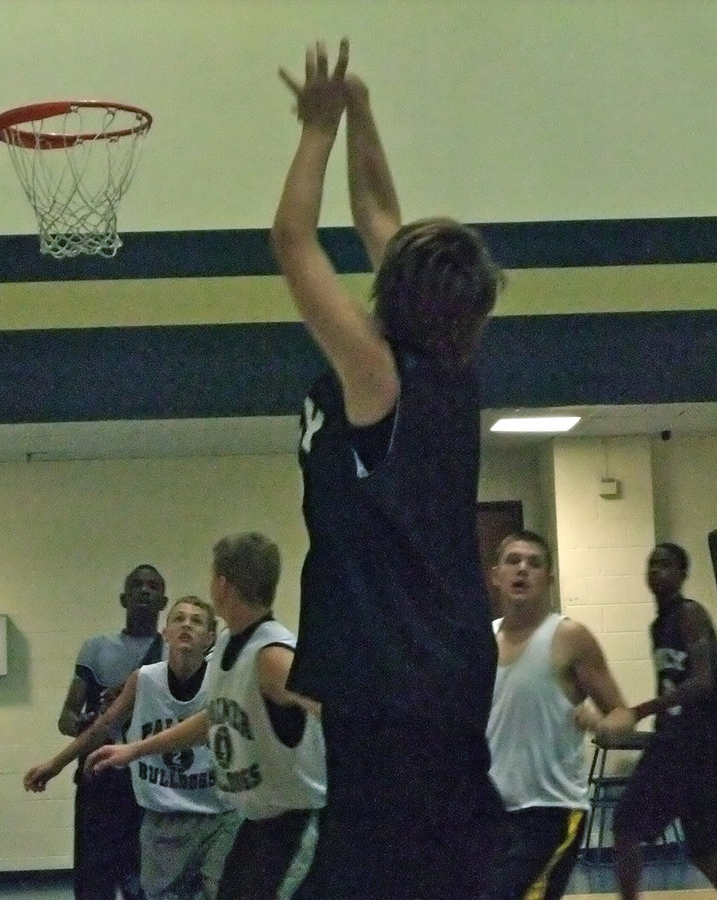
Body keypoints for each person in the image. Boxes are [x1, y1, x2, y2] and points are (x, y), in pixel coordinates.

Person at [270, 39, 507, 900]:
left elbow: (293, 243)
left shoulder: (379, 376)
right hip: (424, 670)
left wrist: (318, 128)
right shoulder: (444, 361)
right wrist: (363, 109)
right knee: (416, 862)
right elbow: (379, 213)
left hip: (402, 675)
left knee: (379, 873)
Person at [86, 533, 326, 900]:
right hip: (256, 822)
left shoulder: (272, 655)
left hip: (293, 826)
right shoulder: (230, 643)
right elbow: (213, 718)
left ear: (223, 583)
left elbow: (341, 711)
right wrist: (134, 750)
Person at [26, 596, 241, 900]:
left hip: (217, 816)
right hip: (162, 817)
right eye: (179, 618)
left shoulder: (224, 681)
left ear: (209, 638)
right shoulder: (144, 680)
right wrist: (56, 764)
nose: (187, 625)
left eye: (196, 621)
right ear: (165, 633)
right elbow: (103, 726)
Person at [482, 530, 636, 900]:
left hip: (550, 811)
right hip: (490, 810)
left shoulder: (569, 637)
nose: (523, 570)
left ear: (549, 580)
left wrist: (601, 724)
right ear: (495, 575)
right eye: (513, 561)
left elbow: (622, 714)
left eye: (534, 563)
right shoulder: (481, 641)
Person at [611, 543, 717, 900]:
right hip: (671, 745)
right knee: (626, 825)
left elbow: (703, 682)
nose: (657, 571)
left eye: (666, 565)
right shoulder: (658, 625)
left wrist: (641, 710)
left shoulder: (690, 614)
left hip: (703, 748)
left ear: (683, 574)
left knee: (704, 848)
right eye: (652, 564)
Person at [57, 564, 167, 900]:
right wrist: (85, 723)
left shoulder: (171, 655)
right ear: (123, 598)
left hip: (148, 780)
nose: (144, 591)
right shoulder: (96, 649)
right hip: (100, 779)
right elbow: (65, 717)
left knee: (142, 879)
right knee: (93, 879)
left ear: (163, 601)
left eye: (152, 586)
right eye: (137, 585)